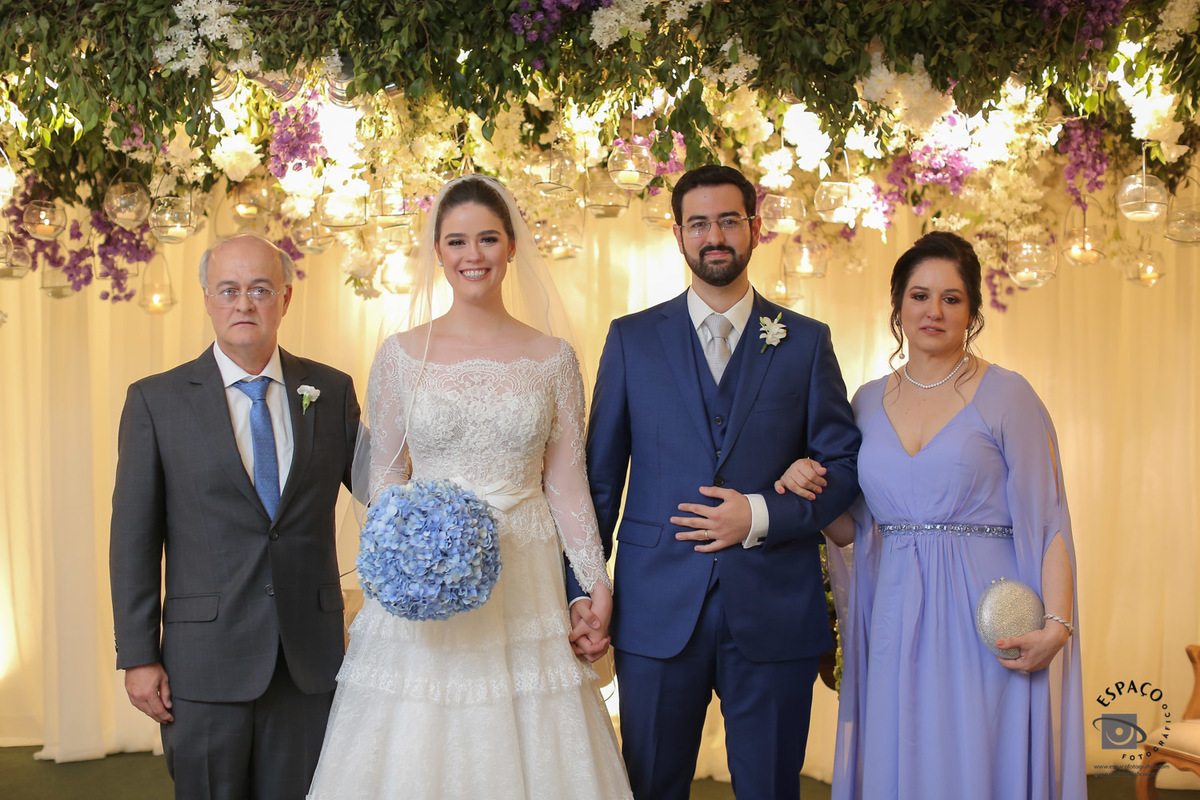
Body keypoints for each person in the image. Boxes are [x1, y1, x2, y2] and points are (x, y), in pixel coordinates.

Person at [306, 175, 632, 799]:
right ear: (438, 252)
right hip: (427, 575)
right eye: (457, 241)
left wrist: (595, 582)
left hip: (526, 571)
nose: (472, 255)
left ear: (511, 246)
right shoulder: (401, 355)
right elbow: (388, 478)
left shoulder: (553, 357)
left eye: (487, 238)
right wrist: (403, 554)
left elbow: (566, 480)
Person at [572, 164, 861, 800]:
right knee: (650, 785)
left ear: (755, 229)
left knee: (771, 789)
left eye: (729, 220)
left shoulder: (806, 343)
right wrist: (581, 590)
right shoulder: (630, 341)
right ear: (678, 235)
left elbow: (843, 471)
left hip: (774, 606)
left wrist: (760, 514)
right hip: (654, 609)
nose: (715, 236)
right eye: (699, 223)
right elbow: (597, 485)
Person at [777, 231, 1085, 799]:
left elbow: (1049, 521)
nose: (934, 311)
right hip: (895, 612)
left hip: (988, 613)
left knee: (980, 757)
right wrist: (810, 495)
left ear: (972, 311)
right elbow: (856, 530)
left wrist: (1056, 626)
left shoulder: (1009, 395)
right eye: (919, 296)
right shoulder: (865, 402)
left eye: (951, 298)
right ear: (897, 306)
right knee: (906, 755)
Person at [109, 233, 360, 799]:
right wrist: (139, 655)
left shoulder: (332, 389)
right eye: (229, 290)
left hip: (309, 661)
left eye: (259, 289)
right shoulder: (157, 401)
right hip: (203, 666)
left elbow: (384, 492)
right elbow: (133, 540)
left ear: (286, 299)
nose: (244, 303)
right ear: (207, 298)